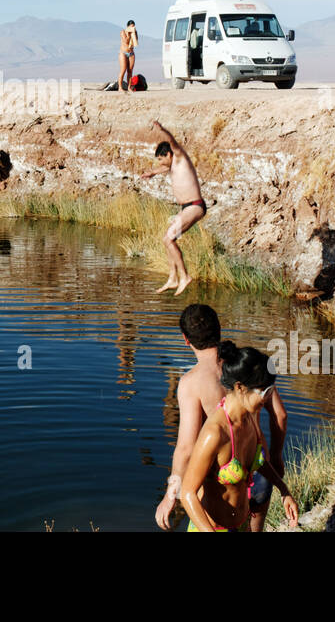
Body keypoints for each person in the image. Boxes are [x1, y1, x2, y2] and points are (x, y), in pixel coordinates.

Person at [154, 305, 289, 532]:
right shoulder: (248, 366)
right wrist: (275, 457)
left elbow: (186, 448)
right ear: (219, 328)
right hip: (258, 469)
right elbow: (280, 415)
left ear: (186, 340)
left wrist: (171, 494)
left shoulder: (192, 383)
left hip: (224, 483)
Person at [180, 342, 299, 532]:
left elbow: (257, 462)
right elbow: (187, 493)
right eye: (265, 392)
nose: (268, 398)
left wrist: (283, 489)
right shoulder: (215, 433)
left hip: (241, 524)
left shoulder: (249, 419)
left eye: (271, 390)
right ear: (240, 387)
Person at [142, 121, 205, 295]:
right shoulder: (173, 164)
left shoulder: (179, 155)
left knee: (168, 239)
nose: (162, 163)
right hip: (187, 207)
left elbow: (171, 141)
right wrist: (152, 173)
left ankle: (184, 276)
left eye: (162, 159)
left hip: (194, 206)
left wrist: (162, 130)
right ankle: (173, 278)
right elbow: (163, 168)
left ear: (169, 154)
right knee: (168, 240)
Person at [118, 20, 138, 92]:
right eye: (131, 26)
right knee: (123, 70)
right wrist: (129, 33)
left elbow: (136, 42)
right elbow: (126, 41)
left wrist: (134, 33)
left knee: (130, 71)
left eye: (133, 26)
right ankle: (120, 87)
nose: (133, 28)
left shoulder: (135, 32)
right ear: (128, 26)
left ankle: (129, 87)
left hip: (131, 53)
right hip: (123, 53)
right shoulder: (123, 32)